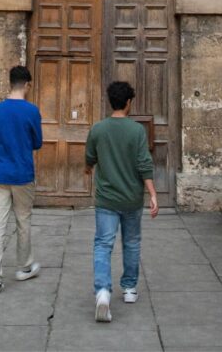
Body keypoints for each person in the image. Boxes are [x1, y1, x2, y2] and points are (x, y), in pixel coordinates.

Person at [85, 81, 158, 323]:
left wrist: (88, 170)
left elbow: (90, 158)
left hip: (106, 198)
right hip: (131, 199)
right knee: (132, 242)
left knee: (103, 245)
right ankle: (128, 289)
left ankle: (103, 291)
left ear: (111, 102)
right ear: (128, 103)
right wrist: (153, 195)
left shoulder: (98, 129)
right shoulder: (137, 131)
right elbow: (144, 165)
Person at [0, 65, 43, 294]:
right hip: (22, 174)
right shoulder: (31, 111)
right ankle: (24, 267)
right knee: (23, 221)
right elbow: (37, 142)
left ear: (10, 83)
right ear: (27, 84)